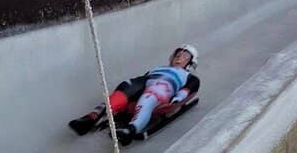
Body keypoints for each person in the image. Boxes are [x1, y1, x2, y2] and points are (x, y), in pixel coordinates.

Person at [69, 45, 200, 144]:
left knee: (152, 93)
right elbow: (143, 79)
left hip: (163, 89)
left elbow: (189, 89)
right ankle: (92, 117)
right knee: (128, 85)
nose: (179, 58)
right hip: (144, 84)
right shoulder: (157, 68)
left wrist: (177, 99)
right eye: (177, 55)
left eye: (184, 57)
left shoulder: (189, 76)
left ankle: (132, 128)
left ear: (190, 63)